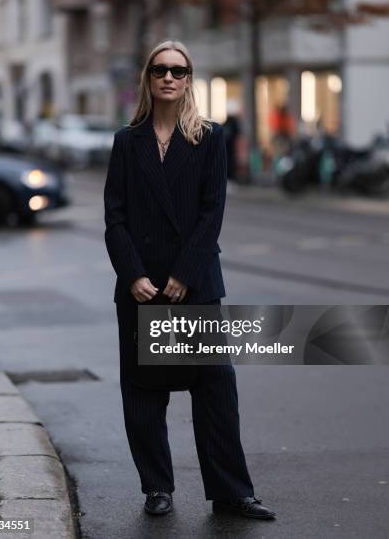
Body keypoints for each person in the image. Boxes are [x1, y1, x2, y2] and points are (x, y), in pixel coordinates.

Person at [103, 40, 276, 520]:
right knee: (143, 390)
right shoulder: (127, 140)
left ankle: (231, 492)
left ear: (189, 80)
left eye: (179, 71)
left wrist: (185, 273)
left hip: (195, 283)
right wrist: (134, 274)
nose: (169, 77)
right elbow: (114, 217)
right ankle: (157, 487)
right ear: (148, 77)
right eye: (160, 69)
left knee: (216, 386)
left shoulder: (209, 138)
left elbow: (211, 212)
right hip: (140, 287)